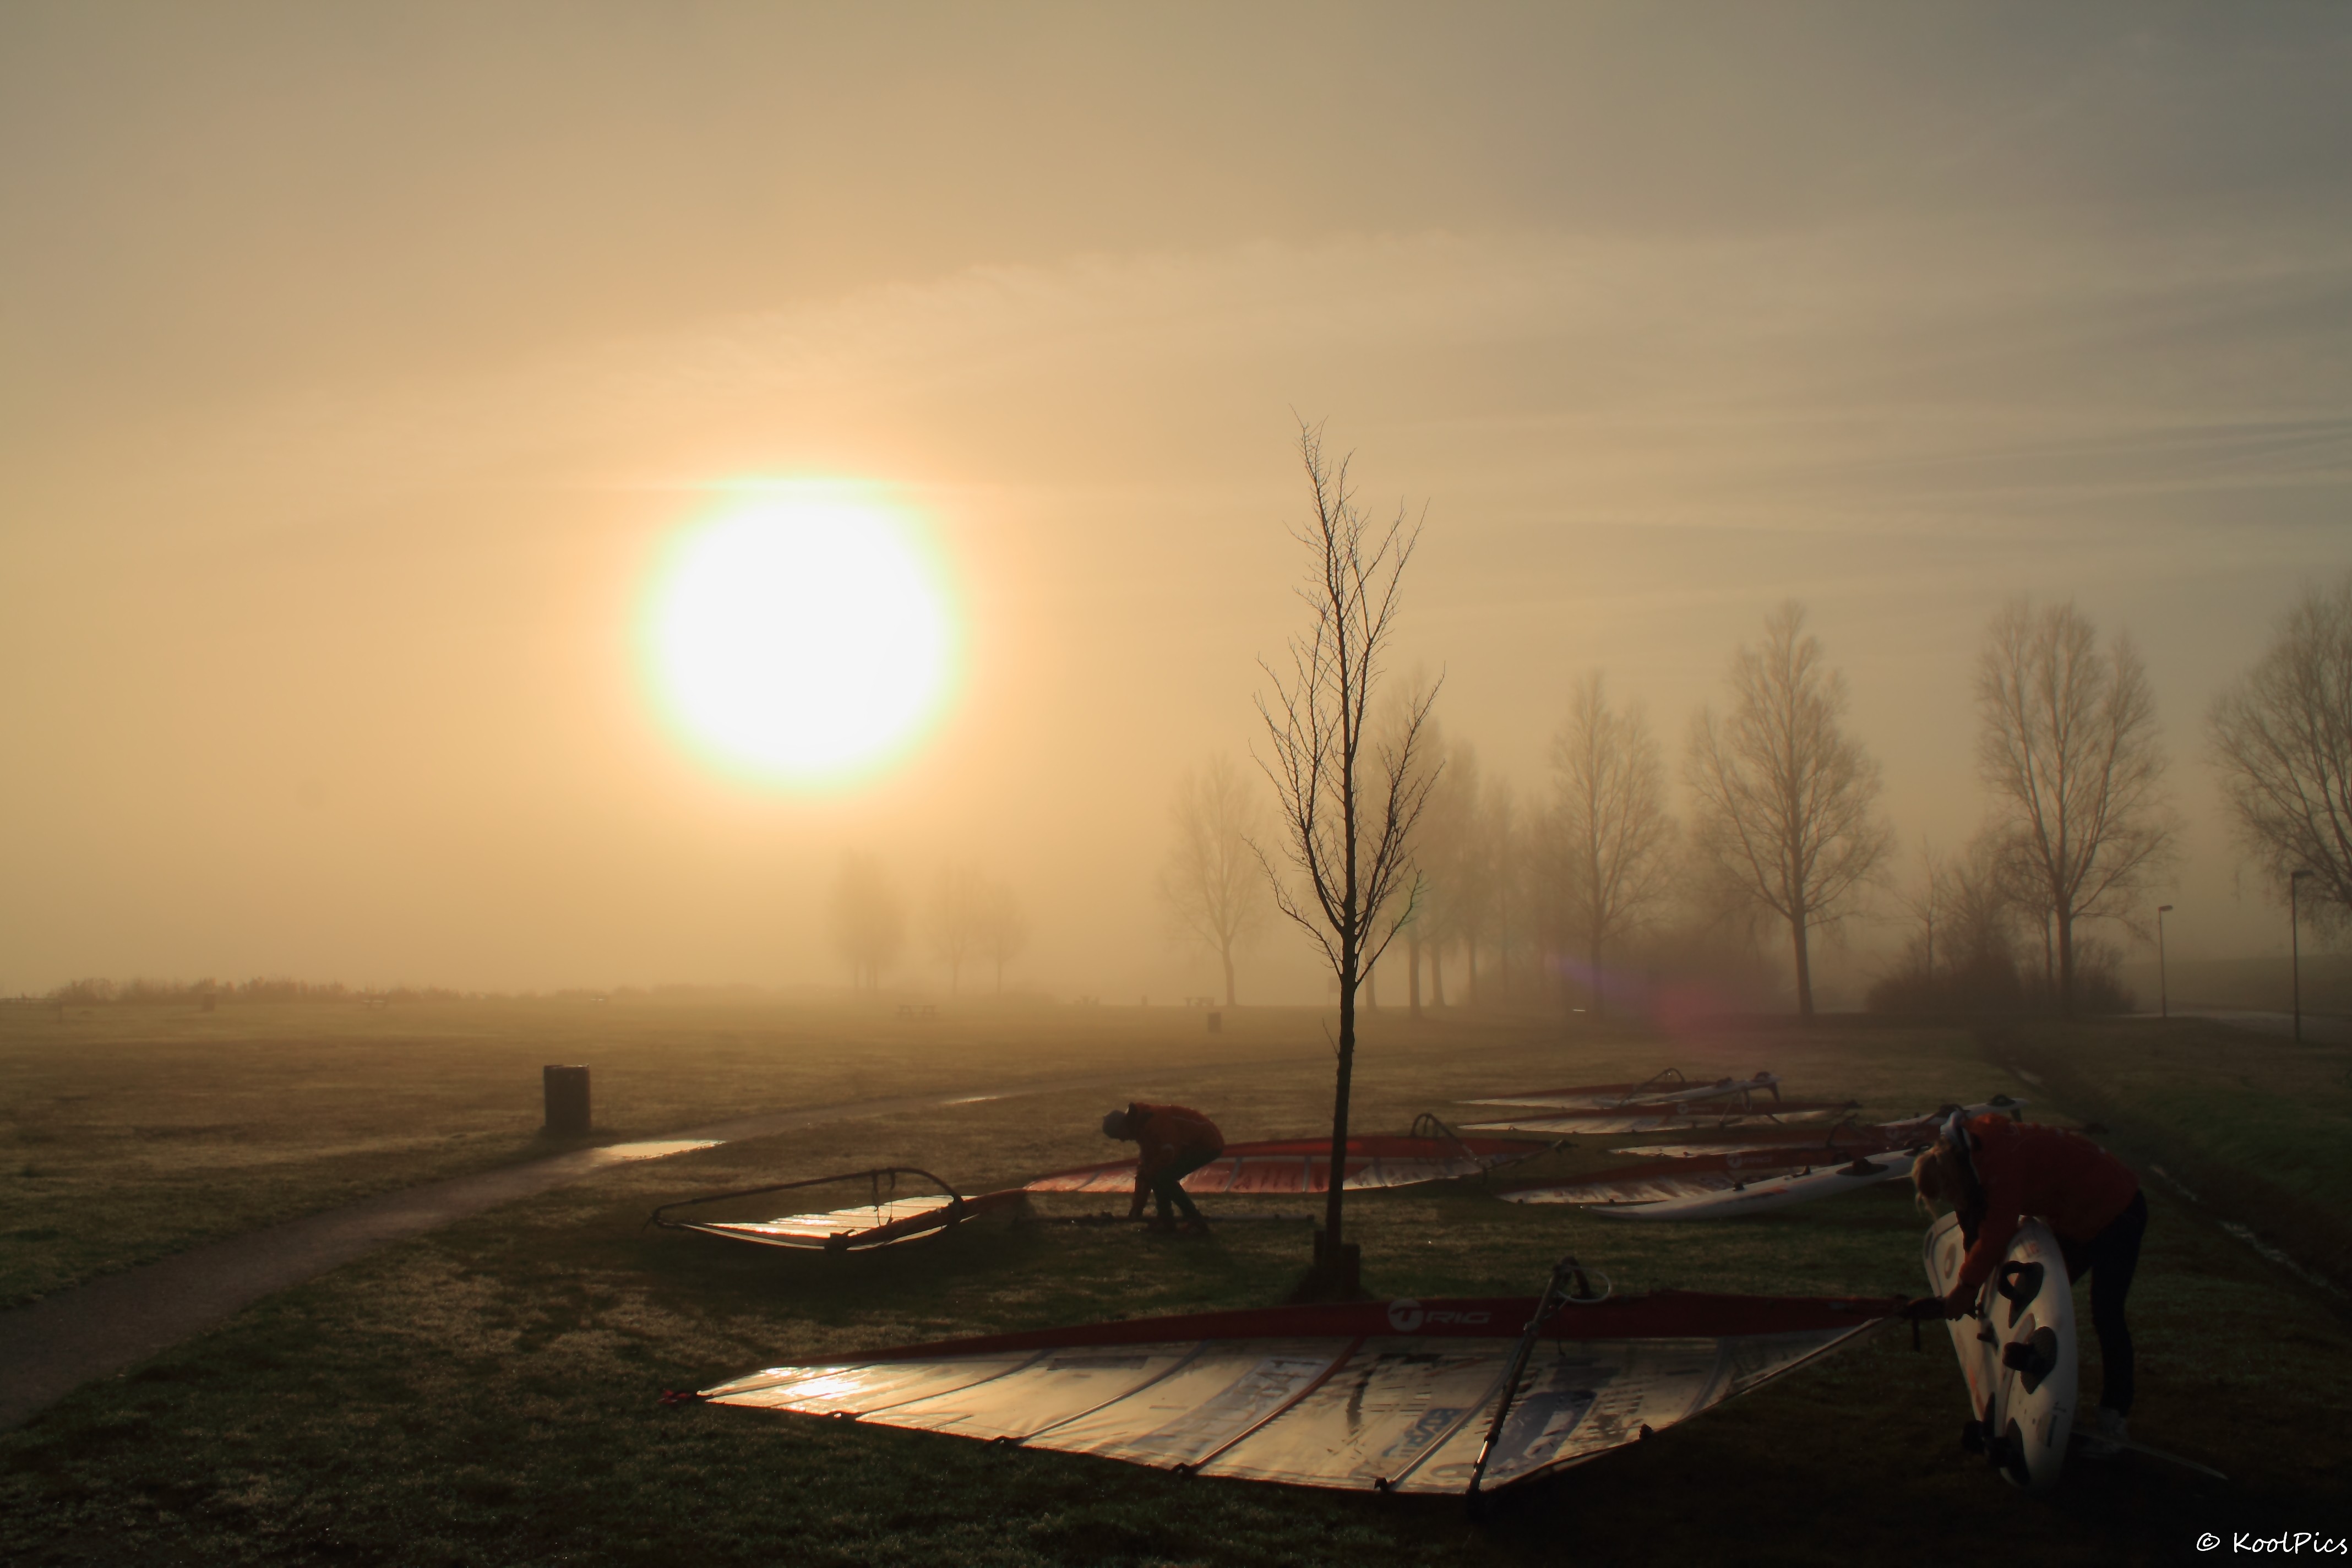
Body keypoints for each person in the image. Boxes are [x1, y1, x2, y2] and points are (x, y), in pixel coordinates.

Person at [1908, 1109, 2146, 1457]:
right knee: (2022, 1298)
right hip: (2076, 1217)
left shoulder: (1997, 1161)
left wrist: (1964, 1288)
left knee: (2107, 1316)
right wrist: (1968, 1284)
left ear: (1950, 1178)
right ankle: (2032, 1402)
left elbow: (1997, 1231)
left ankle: (2114, 1422)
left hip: (2116, 1209)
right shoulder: (1970, 1158)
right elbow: (1976, 1227)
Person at [1102, 1102, 1224, 1234]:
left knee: (1164, 1177)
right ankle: (1166, 1220)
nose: (1122, 1140)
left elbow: (1169, 1152)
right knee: (1157, 1175)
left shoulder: (1154, 1122)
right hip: (1189, 1144)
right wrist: (1137, 1207)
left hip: (1207, 1143)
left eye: (1118, 1135)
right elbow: (1145, 1172)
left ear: (1123, 1126)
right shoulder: (1142, 1130)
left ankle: (1196, 1221)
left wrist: (1151, 1173)